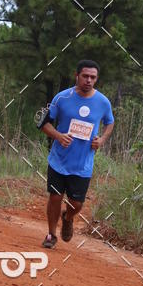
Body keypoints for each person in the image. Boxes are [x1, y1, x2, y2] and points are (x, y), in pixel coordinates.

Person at [39, 60, 114, 248]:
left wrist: (102, 140)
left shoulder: (103, 102)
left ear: (96, 79)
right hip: (59, 160)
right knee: (55, 197)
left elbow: (110, 122)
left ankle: (68, 217)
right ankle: (51, 235)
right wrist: (58, 136)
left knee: (76, 204)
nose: (89, 80)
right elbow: (43, 123)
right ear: (77, 75)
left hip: (83, 164)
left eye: (93, 77)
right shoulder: (62, 98)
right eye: (85, 76)